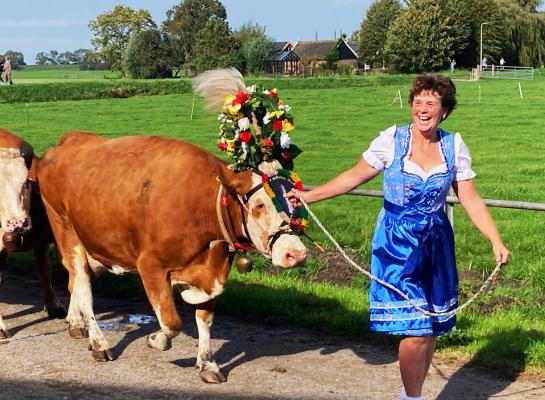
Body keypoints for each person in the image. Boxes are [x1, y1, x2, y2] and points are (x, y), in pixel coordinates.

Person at [286, 74, 510, 400]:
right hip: (396, 244)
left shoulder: (453, 145)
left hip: (436, 243)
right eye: (417, 102)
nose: (422, 109)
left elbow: (470, 198)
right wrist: (311, 195)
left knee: (431, 327)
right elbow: (354, 176)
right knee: (414, 328)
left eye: (430, 103)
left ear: (444, 110)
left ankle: (412, 395)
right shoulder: (392, 140)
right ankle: (412, 397)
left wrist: (495, 239)